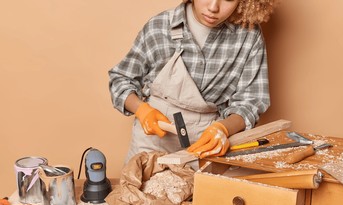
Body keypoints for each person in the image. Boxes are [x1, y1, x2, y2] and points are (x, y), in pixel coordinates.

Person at [109, 0, 278, 163]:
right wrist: (142, 110)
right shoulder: (158, 27)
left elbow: (250, 102)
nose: (213, 7)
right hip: (149, 143)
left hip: (204, 147)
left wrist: (223, 129)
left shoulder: (248, 37)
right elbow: (120, 79)